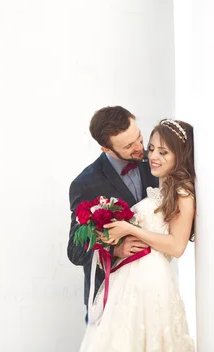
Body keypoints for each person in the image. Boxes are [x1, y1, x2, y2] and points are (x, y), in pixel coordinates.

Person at [79, 118, 196, 352]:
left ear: (179, 155)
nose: (151, 156)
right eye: (151, 148)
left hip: (152, 281)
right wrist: (111, 242)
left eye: (163, 152)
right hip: (128, 282)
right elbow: (76, 248)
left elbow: (176, 246)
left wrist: (130, 228)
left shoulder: (182, 193)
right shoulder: (161, 186)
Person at [67, 106, 159, 323]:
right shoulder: (85, 184)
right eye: (129, 146)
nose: (140, 148)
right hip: (110, 298)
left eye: (139, 137)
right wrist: (114, 248)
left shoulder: (155, 162)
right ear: (105, 149)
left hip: (152, 289)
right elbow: (75, 251)